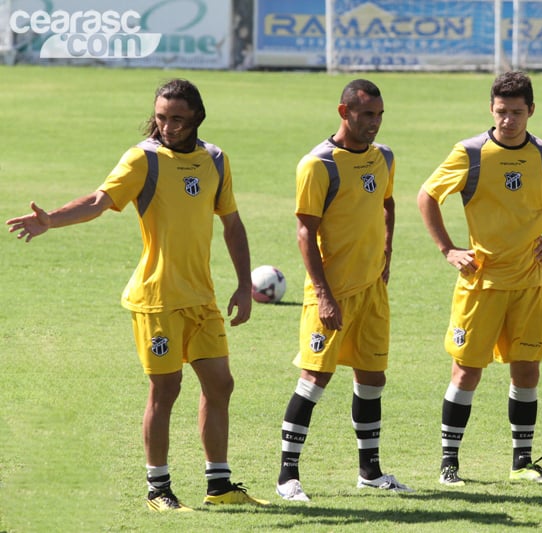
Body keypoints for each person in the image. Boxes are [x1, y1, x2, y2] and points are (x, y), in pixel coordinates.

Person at [6, 79, 269, 511]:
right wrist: (51, 220)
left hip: (202, 299)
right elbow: (98, 200)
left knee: (220, 384)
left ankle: (219, 486)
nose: (168, 126)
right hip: (157, 300)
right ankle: (158, 489)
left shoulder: (215, 159)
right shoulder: (143, 159)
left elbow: (232, 223)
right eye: (162, 117)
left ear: (197, 117)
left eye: (178, 119)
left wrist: (243, 283)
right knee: (166, 391)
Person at [417, 71, 542, 486]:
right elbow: (427, 195)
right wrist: (448, 249)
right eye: (502, 112)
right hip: (480, 285)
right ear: (491, 109)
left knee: (526, 372)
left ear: (531, 111)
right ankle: (449, 462)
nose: (509, 120)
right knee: (466, 372)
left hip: (528, 284)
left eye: (517, 113)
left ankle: (521, 462)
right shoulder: (471, 153)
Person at [275, 79, 413, 502]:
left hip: (372, 291)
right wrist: (324, 294)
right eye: (366, 114)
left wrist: (387, 254)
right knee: (315, 377)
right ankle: (287, 477)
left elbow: (387, 205)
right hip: (330, 293)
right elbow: (305, 231)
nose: (374, 123)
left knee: (373, 378)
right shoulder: (318, 165)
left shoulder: (384, 157)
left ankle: (370, 473)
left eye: (379, 115)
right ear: (344, 112)